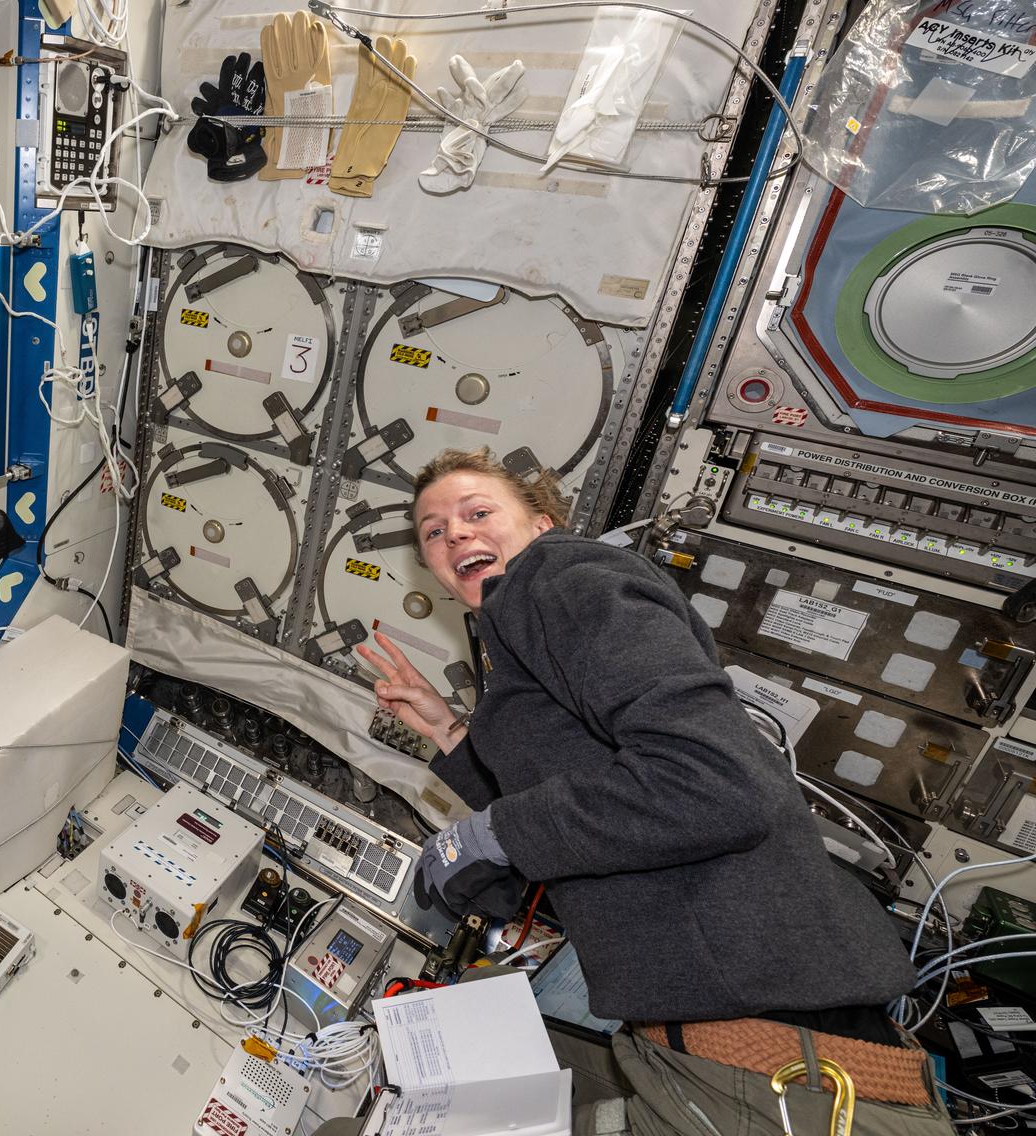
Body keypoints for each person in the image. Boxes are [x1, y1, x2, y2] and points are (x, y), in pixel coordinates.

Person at [354, 447, 951, 1136]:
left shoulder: (565, 578)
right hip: (710, 1058)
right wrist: (448, 731)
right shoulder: (518, 632)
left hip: (780, 1075)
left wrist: (488, 835)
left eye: (477, 512)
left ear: (545, 524)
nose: (453, 533)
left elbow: (714, 783)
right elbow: (584, 794)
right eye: (432, 530)